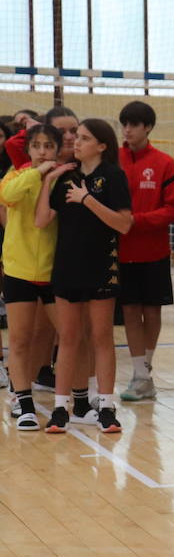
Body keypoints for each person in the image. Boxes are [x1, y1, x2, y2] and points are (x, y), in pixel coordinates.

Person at [34, 118, 134, 434]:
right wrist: (48, 181)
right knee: (69, 338)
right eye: (76, 137)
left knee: (101, 337)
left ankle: (106, 406)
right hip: (67, 266)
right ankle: (60, 409)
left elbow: (124, 224)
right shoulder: (66, 177)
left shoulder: (113, 176)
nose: (76, 142)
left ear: (102, 145)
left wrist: (87, 199)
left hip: (102, 266)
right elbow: (41, 221)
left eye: (84, 138)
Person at [115, 101, 174, 402]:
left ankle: (145, 371)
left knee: (151, 310)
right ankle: (139, 375)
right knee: (129, 310)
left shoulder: (164, 162)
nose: (127, 129)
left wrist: (136, 222)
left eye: (134, 124)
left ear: (148, 127)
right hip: (120, 251)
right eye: (124, 124)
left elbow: (173, 208)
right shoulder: (112, 159)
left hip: (154, 251)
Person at [1, 124, 61, 429]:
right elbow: (7, 194)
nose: (42, 151)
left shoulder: (63, 178)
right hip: (18, 270)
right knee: (19, 339)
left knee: (70, 335)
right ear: (28, 150)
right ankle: (22, 402)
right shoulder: (17, 175)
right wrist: (38, 173)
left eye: (48, 146)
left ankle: (77, 398)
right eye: (36, 145)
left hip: (54, 271)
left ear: (57, 148)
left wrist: (52, 177)